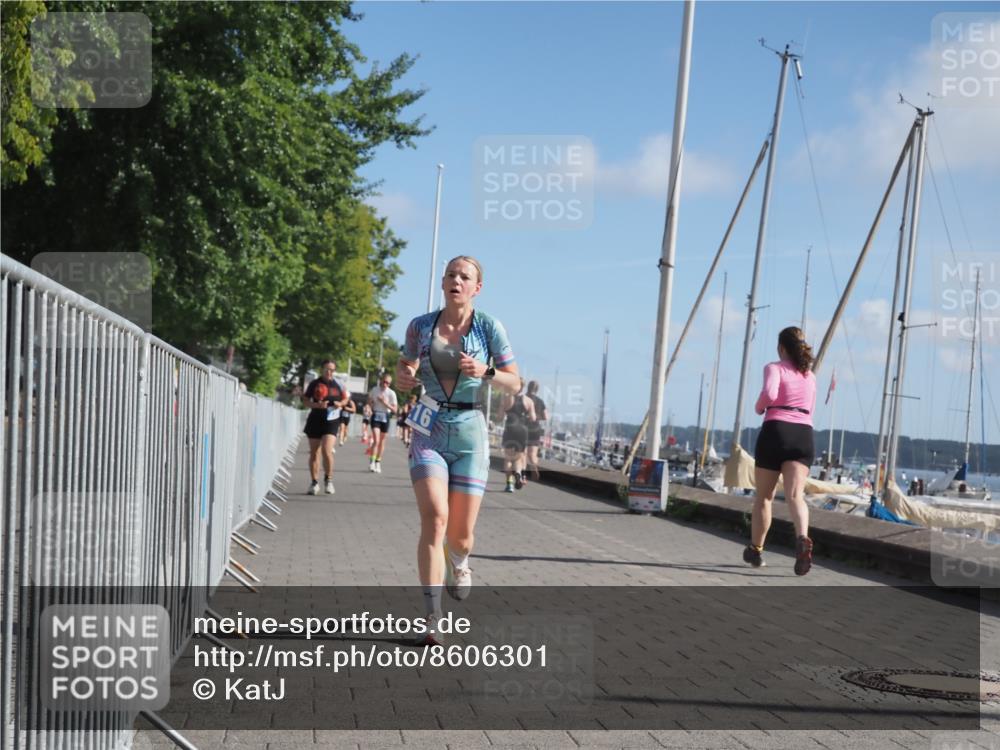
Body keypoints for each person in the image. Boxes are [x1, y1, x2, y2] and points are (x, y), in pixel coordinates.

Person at [396, 255, 519, 646]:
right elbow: (405, 367)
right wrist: (404, 375)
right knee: (435, 518)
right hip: (428, 427)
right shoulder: (420, 326)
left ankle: (460, 562)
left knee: (460, 537)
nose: (455, 280)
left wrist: (485, 372)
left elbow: (514, 382)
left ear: (476, 288)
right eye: (450, 274)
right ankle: (432, 618)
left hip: (469, 432)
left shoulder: (489, 327)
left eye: (464, 276)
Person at [744, 326, 817, 575]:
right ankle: (802, 538)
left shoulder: (774, 368)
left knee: (764, 497)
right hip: (803, 433)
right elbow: (811, 408)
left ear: (781, 348)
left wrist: (758, 407)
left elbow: (769, 393)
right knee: (796, 496)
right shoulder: (810, 376)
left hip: (776, 430)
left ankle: (756, 549)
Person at [301, 360, 350, 495]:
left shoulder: (339, 384)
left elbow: (346, 399)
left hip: (332, 420)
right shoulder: (314, 384)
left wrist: (340, 403)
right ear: (322, 369)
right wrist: (317, 405)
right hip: (316, 419)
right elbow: (305, 400)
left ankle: (328, 480)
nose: (329, 372)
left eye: (332, 370)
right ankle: (314, 482)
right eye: (327, 369)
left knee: (327, 451)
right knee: (314, 452)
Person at [501, 379, 536, 491]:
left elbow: (499, 416)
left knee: (508, 459)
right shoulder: (529, 401)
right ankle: (518, 473)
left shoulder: (506, 399)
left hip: (510, 429)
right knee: (518, 459)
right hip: (522, 430)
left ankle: (509, 484)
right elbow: (533, 418)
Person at [367, 374, 398, 473]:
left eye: (387, 383)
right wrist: (369, 406)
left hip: (385, 416)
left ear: (390, 384)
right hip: (376, 414)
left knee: (382, 442)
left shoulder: (391, 393)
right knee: (376, 440)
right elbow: (369, 401)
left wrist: (384, 402)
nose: (385, 384)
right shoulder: (375, 390)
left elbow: (395, 410)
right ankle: (372, 462)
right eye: (384, 382)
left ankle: (378, 462)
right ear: (381, 381)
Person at [524, 380, 548, 481]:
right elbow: (546, 417)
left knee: (522, 453)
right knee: (533, 454)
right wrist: (537, 417)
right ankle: (534, 466)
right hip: (535, 428)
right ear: (537, 390)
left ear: (528, 387)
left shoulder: (523, 398)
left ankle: (522, 476)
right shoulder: (540, 401)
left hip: (523, 428)